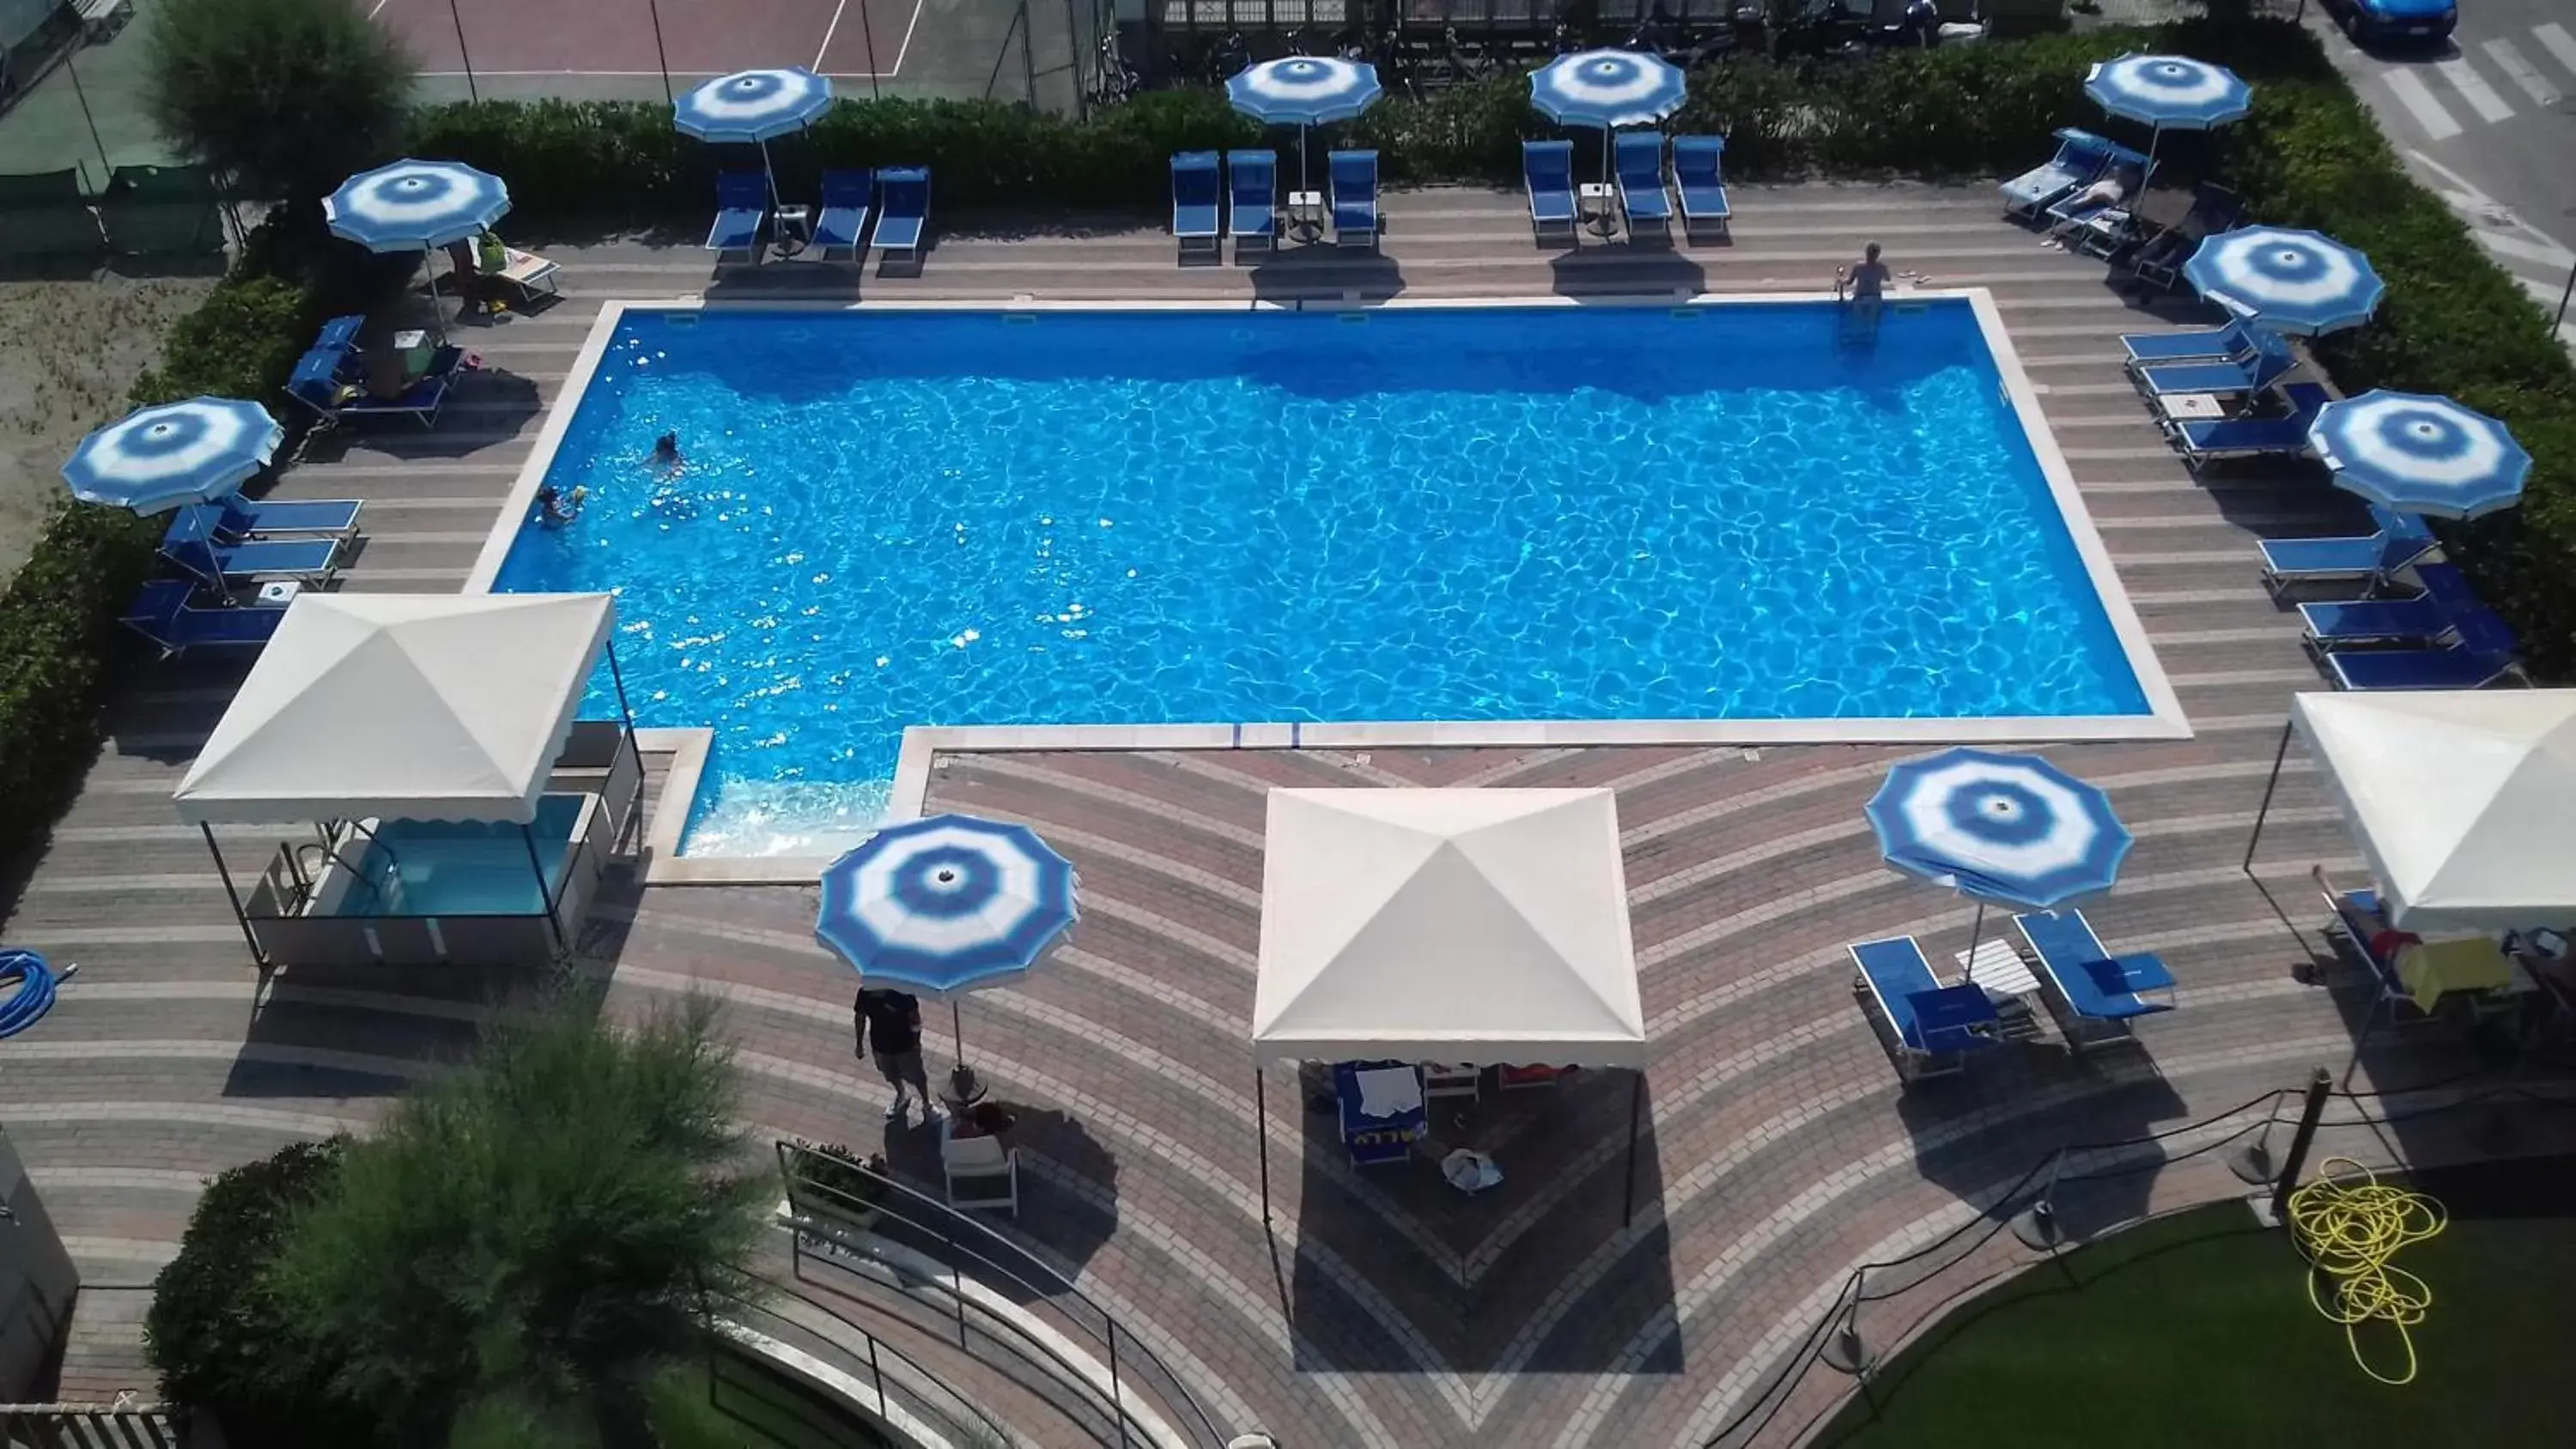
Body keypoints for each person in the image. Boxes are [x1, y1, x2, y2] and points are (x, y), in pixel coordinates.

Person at [855, 987, 939, 1125]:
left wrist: (916, 1042)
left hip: (905, 1046)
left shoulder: (903, 993)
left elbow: (915, 1019)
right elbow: (860, 1016)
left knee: (917, 1076)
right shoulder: (865, 993)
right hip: (880, 1046)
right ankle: (902, 1094)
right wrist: (859, 1043)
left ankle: (927, 1103)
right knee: (890, 1074)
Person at [1838, 240, 1891, 325]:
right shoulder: (1882, 267)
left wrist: (1841, 281)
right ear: (1878, 254)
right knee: (1873, 324)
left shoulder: (1859, 266)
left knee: (1858, 323)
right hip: (1875, 298)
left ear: (1866, 252)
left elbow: (1849, 282)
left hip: (1860, 298)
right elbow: (1888, 279)